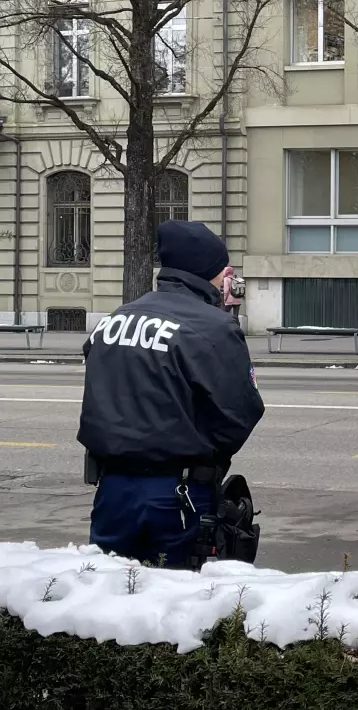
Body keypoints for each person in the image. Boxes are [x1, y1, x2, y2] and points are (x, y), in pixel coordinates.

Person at [77, 220, 265, 569]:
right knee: (176, 605)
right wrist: (205, 456)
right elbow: (240, 413)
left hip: (113, 489)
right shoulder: (213, 327)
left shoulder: (116, 319)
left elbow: (99, 392)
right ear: (209, 270)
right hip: (178, 492)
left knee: (106, 597)